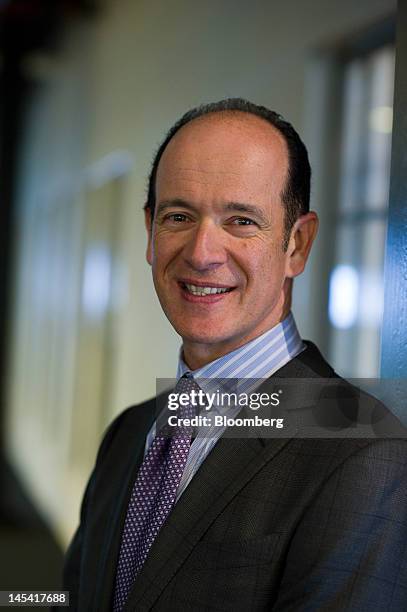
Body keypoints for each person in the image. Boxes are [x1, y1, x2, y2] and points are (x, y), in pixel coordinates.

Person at [63, 98, 407, 611]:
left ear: (297, 245)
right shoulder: (130, 433)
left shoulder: (364, 454)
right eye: (178, 215)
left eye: (241, 221)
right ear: (150, 233)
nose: (202, 252)